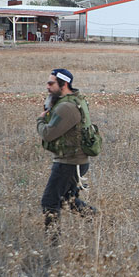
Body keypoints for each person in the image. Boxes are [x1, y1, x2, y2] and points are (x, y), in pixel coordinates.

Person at [37, 68, 96, 243]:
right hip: (75, 161)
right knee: (67, 199)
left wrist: (40, 120)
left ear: (64, 84)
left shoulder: (67, 107)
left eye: (51, 83)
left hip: (69, 163)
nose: (47, 86)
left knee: (49, 202)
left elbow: (48, 134)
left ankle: (52, 243)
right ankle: (95, 218)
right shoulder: (72, 101)